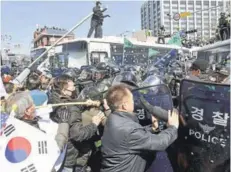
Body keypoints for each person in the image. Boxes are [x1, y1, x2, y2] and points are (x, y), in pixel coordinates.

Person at [101, 84, 179, 172]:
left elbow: (132, 136)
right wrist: (173, 127)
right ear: (125, 106)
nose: (134, 102)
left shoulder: (113, 119)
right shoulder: (127, 129)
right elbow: (159, 143)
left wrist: (152, 128)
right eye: (132, 100)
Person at [49, 75, 105, 172]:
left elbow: (70, 102)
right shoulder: (71, 109)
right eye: (72, 87)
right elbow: (77, 135)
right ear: (63, 90)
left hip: (57, 153)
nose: (75, 89)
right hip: (68, 157)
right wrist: (94, 124)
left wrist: (84, 102)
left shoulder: (54, 99)